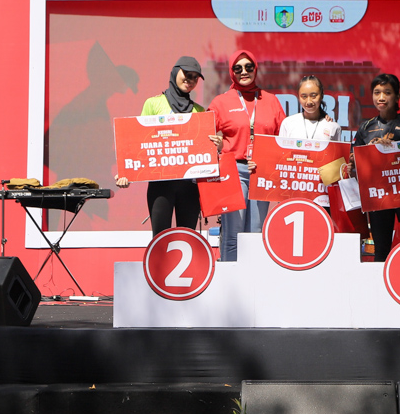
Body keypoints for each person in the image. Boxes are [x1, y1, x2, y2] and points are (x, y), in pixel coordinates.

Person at [115, 56, 221, 236]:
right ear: (175, 72)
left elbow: (203, 151)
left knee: (187, 238)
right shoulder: (153, 104)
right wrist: (126, 173)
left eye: (195, 77)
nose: (190, 80)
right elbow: (139, 143)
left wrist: (215, 145)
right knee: (160, 238)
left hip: (190, 187)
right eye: (187, 74)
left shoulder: (200, 111)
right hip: (161, 185)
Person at [210, 49, 285, 261]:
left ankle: (252, 278)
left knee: (255, 233)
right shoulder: (221, 102)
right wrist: (217, 144)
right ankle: (230, 277)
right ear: (231, 72)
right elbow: (203, 135)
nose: (244, 72)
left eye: (248, 67)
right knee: (233, 233)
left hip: (262, 171)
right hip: (234, 171)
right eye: (238, 68)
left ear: (255, 69)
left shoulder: (271, 100)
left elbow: (284, 136)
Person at [352, 73, 400, 262]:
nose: (381, 97)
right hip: (378, 196)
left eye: (387, 92)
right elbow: (354, 161)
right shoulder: (366, 127)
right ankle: (380, 282)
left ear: (397, 96)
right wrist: (368, 150)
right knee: (381, 249)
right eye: (377, 93)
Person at [277, 75, 341, 208]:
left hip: (322, 196)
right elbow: (280, 158)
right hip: (292, 192)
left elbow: (337, 163)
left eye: (313, 95)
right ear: (298, 97)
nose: (309, 101)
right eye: (304, 96)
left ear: (322, 95)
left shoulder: (333, 127)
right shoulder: (288, 123)